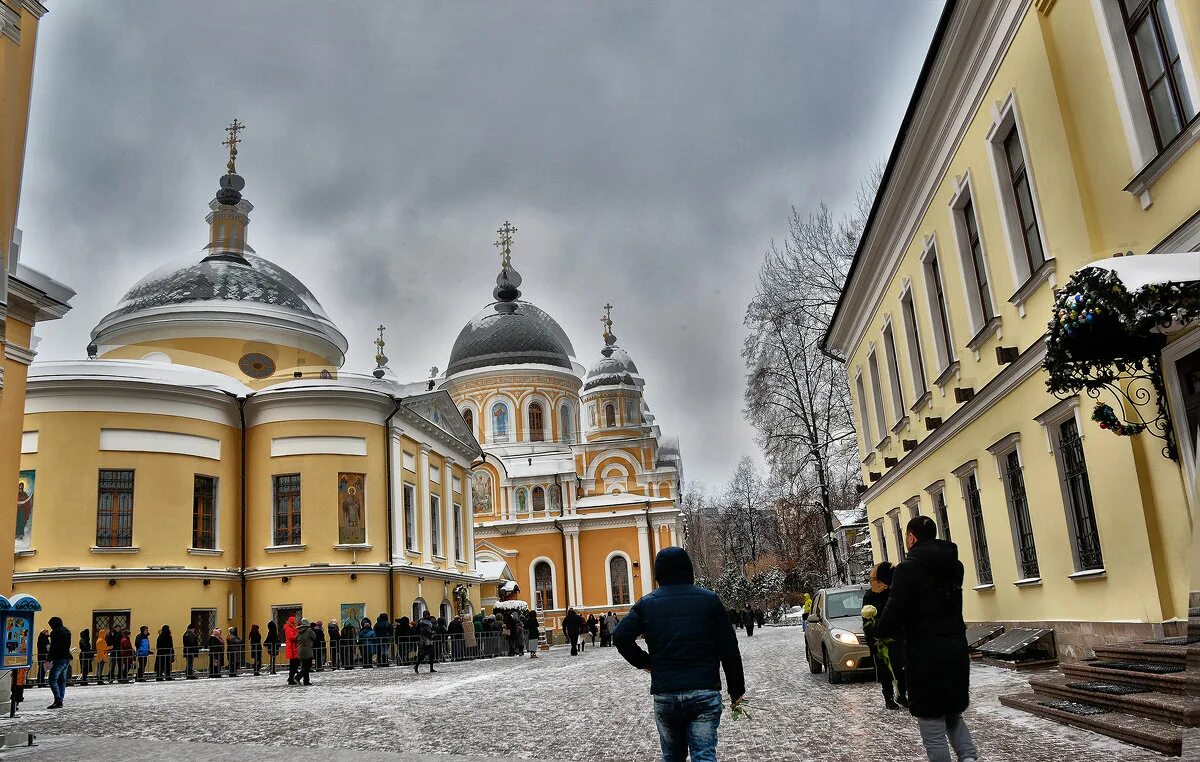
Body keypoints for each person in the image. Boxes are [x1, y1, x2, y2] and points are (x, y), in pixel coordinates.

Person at [614, 547, 745, 762]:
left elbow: (620, 637)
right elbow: (729, 648)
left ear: (658, 574)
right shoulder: (710, 600)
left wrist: (646, 663)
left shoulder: (647, 604)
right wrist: (736, 689)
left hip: (667, 693)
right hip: (704, 690)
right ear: (689, 571)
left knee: (673, 756)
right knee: (704, 755)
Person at [875, 515, 978, 762]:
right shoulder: (956, 566)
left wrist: (878, 631)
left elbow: (895, 609)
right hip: (955, 649)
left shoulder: (908, 569)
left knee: (932, 725)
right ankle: (969, 758)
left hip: (925, 654)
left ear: (911, 538)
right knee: (953, 715)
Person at [863, 562, 907, 711]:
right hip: (879, 639)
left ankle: (902, 695)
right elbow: (866, 620)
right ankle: (888, 698)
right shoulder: (870, 596)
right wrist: (873, 639)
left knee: (901, 668)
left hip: (898, 635)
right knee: (885, 671)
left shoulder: (895, 591)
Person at [46, 616, 71, 709]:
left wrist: (48, 659)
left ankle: (58, 700)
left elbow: (54, 647)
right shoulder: (66, 631)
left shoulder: (55, 632)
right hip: (66, 657)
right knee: (62, 681)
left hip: (58, 658)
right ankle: (60, 699)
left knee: (52, 680)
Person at [297, 618, 316, 685]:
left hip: (300, 650)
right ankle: (298, 677)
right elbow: (314, 636)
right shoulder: (309, 630)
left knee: (304, 666)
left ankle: (306, 681)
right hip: (307, 650)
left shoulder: (298, 630)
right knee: (308, 666)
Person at [284, 615, 300, 685]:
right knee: (293, 665)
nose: (296, 622)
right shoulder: (288, 628)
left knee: (295, 664)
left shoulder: (292, 627)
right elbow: (291, 637)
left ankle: (291, 678)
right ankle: (291, 679)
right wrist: (297, 635)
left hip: (294, 648)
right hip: (292, 649)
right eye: (295, 621)